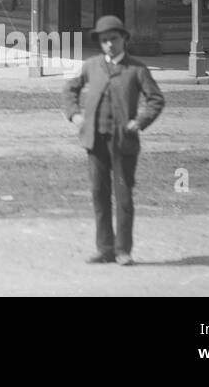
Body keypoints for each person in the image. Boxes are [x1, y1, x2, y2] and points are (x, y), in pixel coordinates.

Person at [62, 15, 165, 266]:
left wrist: (139, 122)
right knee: (99, 193)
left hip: (123, 144)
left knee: (123, 197)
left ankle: (123, 250)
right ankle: (105, 248)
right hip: (94, 142)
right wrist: (75, 115)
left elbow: (156, 99)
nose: (109, 44)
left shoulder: (137, 69)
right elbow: (69, 89)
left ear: (124, 39)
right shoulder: (91, 65)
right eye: (104, 40)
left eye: (114, 39)